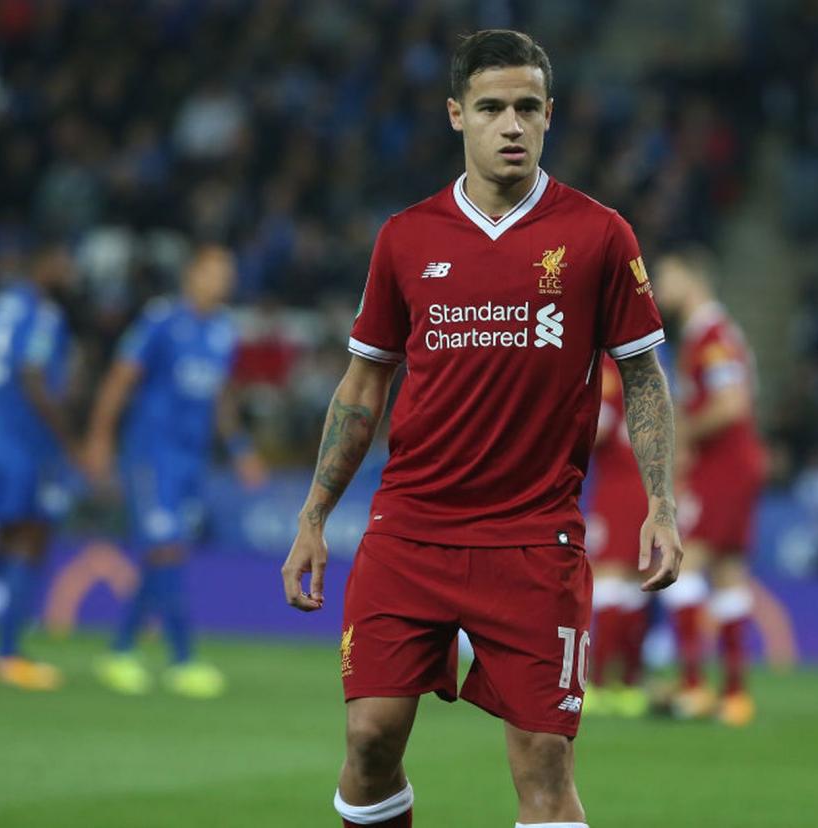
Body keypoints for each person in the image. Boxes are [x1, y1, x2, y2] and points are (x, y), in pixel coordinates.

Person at [279, 30, 682, 828]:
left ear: (549, 117)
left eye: (527, 108)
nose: (511, 125)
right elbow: (364, 383)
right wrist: (314, 514)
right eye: (492, 107)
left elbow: (642, 375)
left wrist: (661, 502)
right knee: (368, 739)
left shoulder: (599, 236)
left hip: (534, 536)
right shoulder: (406, 237)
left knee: (543, 761)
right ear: (457, 114)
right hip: (412, 527)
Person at [84, 245, 264, 699]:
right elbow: (120, 379)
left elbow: (220, 397)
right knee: (166, 548)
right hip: (150, 454)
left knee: (164, 550)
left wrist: (240, 448)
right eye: (214, 272)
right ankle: (182, 658)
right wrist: (100, 439)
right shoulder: (161, 321)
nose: (222, 282)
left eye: (228, 274)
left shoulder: (223, 332)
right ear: (192, 275)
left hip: (191, 458)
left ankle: (120, 649)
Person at [652, 247, 767, 727]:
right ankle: (735, 695)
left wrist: (682, 437)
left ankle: (696, 685)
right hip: (732, 465)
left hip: (724, 465)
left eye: (665, 277)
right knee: (727, 573)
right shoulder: (707, 334)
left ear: (690, 277)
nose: (657, 289)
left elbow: (732, 405)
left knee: (685, 561)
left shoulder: (713, 335)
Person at [0, 243, 77, 690]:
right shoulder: (42, 314)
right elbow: (32, 376)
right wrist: (68, 439)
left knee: (5, 538)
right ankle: (8, 653)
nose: (69, 269)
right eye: (64, 260)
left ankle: (1, 647)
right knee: (32, 537)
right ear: (45, 263)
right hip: (26, 442)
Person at [583, 358, 651, 718]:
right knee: (627, 584)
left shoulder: (606, 364)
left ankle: (596, 684)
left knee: (609, 579)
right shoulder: (635, 361)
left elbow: (602, 426)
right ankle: (628, 682)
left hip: (620, 485)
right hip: (637, 477)